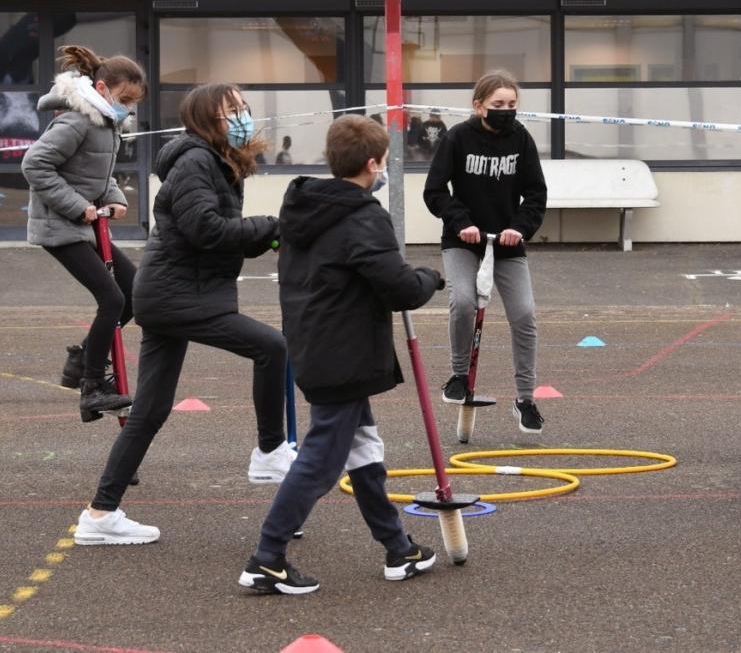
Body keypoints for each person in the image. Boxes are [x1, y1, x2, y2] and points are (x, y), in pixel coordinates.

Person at [73, 84, 291, 547]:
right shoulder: (195, 161)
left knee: (149, 412)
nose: (242, 117)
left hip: (180, 294)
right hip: (178, 298)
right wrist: (271, 226)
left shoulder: (217, 162)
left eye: (244, 109)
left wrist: (269, 237)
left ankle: (100, 514)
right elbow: (206, 229)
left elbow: (224, 235)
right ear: (206, 118)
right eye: (232, 110)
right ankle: (270, 451)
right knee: (271, 346)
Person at [239, 115, 445, 594]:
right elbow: (397, 288)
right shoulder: (362, 216)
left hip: (318, 347)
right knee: (320, 460)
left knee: (363, 447)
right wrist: (428, 278)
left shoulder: (304, 209)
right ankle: (267, 556)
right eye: (386, 161)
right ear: (373, 164)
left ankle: (399, 548)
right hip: (344, 355)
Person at [21, 44, 144, 423]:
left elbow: (97, 174)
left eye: (133, 103)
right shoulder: (76, 121)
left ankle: (83, 355)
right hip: (60, 226)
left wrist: (114, 196)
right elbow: (35, 165)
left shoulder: (106, 122)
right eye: (124, 99)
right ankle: (93, 387)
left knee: (136, 292)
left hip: (85, 224)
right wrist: (77, 205)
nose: (128, 108)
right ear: (103, 88)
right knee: (110, 298)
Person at [424, 71, 548, 434]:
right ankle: (458, 376)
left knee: (524, 314)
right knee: (463, 300)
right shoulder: (458, 138)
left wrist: (519, 228)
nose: (506, 111)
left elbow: (536, 194)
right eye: (498, 105)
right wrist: (460, 221)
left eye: (511, 105)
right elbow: (435, 191)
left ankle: (525, 398)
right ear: (479, 106)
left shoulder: (521, 139)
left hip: (507, 242)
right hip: (463, 239)